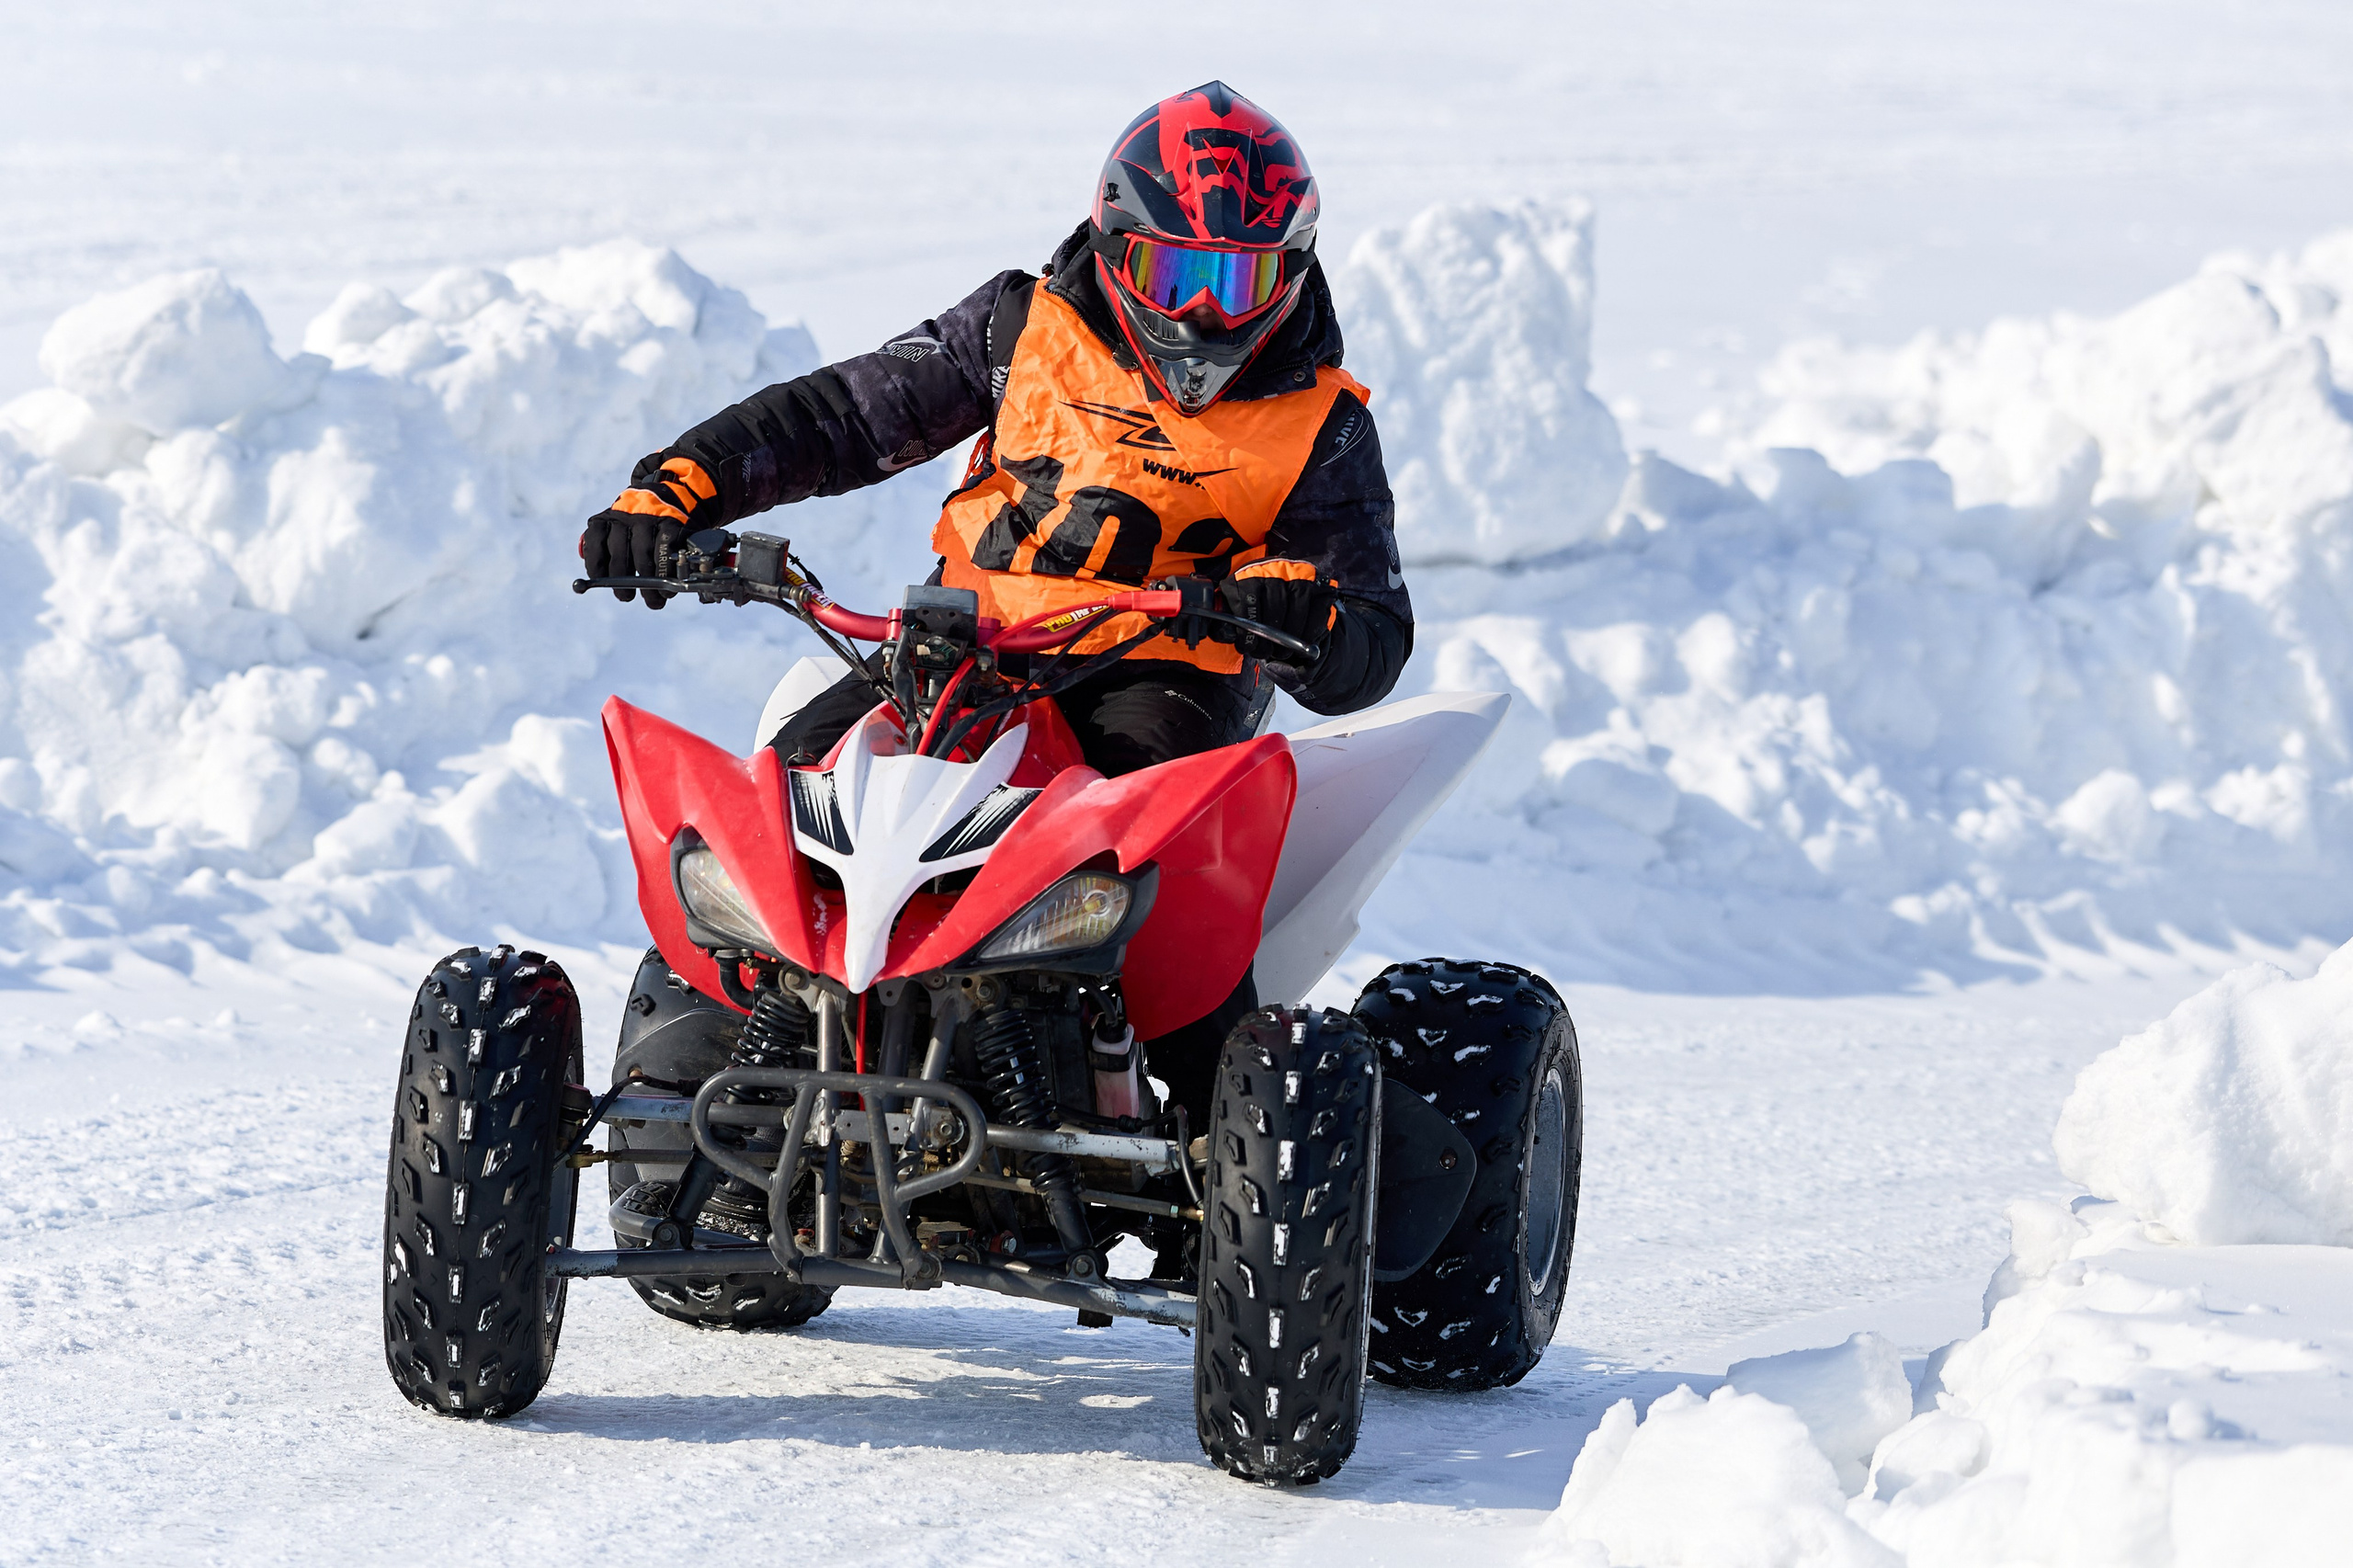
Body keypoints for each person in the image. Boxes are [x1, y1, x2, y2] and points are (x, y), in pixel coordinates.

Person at [580, 81, 1412, 1122]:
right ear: (1114, 246)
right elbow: (842, 414)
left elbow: (1371, 638)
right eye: (1174, 270)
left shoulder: (1320, 426)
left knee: (1144, 862)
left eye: (1237, 279)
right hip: (966, 649)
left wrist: (1306, 618)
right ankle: (698, 1088)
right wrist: (678, 486)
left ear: (1292, 272)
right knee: (776, 810)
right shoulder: (1021, 326)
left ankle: (1216, 1138)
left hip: (1167, 674)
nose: (1202, 311)